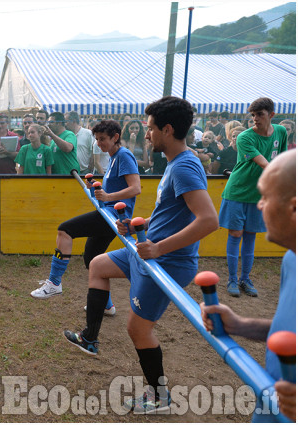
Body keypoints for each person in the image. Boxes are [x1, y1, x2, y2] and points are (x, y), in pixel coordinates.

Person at [64, 96, 218, 413]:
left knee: (138, 329)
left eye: (150, 129)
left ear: (168, 129)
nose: (146, 134)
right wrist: (141, 224)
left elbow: (208, 220)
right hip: (145, 249)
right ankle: (90, 338)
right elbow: (175, 212)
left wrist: (159, 247)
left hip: (166, 261)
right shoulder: (176, 164)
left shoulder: (186, 166)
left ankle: (159, 397)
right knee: (97, 265)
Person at [201, 149, 296, 423]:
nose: (259, 205)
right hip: (270, 407)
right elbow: (288, 332)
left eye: (265, 197)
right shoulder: (291, 258)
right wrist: (240, 325)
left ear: (293, 208)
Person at [31, 120, 140, 305]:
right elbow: (115, 186)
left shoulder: (124, 156)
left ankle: (54, 283)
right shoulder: (114, 156)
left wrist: (107, 196)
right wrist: (96, 188)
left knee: (65, 230)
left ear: (115, 137)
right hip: (108, 214)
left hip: (113, 217)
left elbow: (135, 188)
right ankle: (106, 305)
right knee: (91, 259)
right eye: (96, 139)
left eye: (103, 139)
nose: (99, 143)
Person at [219, 97, 287, 297]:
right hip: (237, 192)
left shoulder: (281, 132)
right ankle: (232, 279)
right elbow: (266, 164)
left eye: (260, 114)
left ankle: (245, 279)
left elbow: (281, 159)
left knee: (250, 236)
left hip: (259, 195)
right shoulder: (244, 137)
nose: (255, 119)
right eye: (253, 115)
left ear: (271, 115)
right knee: (235, 235)